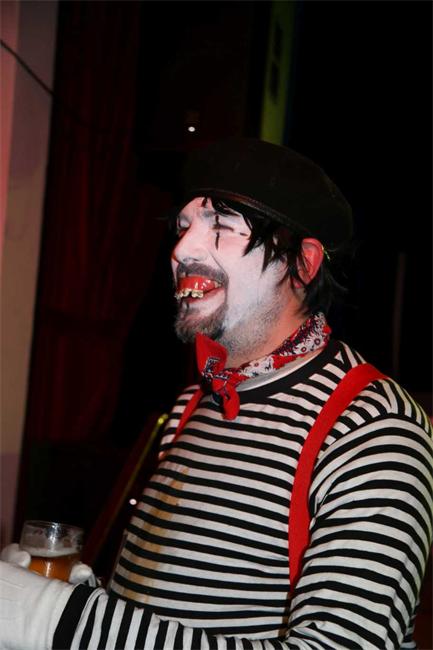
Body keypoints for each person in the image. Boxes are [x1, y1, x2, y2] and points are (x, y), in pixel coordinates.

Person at [1, 138, 432, 649]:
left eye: (221, 226)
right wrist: (86, 596)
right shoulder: (192, 403)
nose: (182, 250)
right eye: (183, 227)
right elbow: (171, 611)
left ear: (302, 264)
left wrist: (58, 619)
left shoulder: (374, 426)